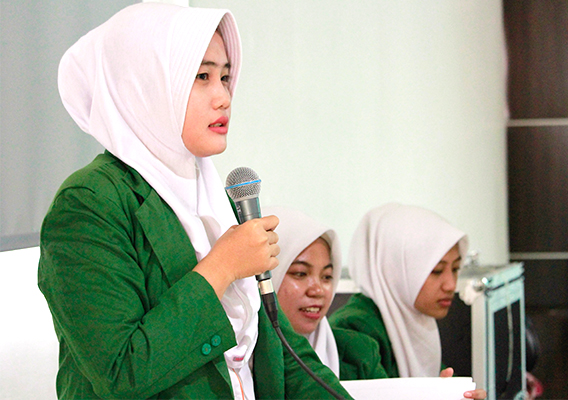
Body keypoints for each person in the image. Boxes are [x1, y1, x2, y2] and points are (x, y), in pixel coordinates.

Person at [38, 3, 350, 399]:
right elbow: (121, 373)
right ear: (145, 83)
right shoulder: (89, 202)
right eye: (201, 76)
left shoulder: (216, 204)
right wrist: (221, 268)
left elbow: (287, 361)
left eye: (226, 76)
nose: (223, 97)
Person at [329, 203, 487, 399]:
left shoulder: (415, 319)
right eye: (436, 271)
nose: (450, 285)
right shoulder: (352, 330)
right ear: (394, 269)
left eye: (455, 269)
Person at [264, 205, 387, 380]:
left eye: (327, 276)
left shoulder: (358, 353)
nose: (318, 290)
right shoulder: (240, 361)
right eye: (300, 274)